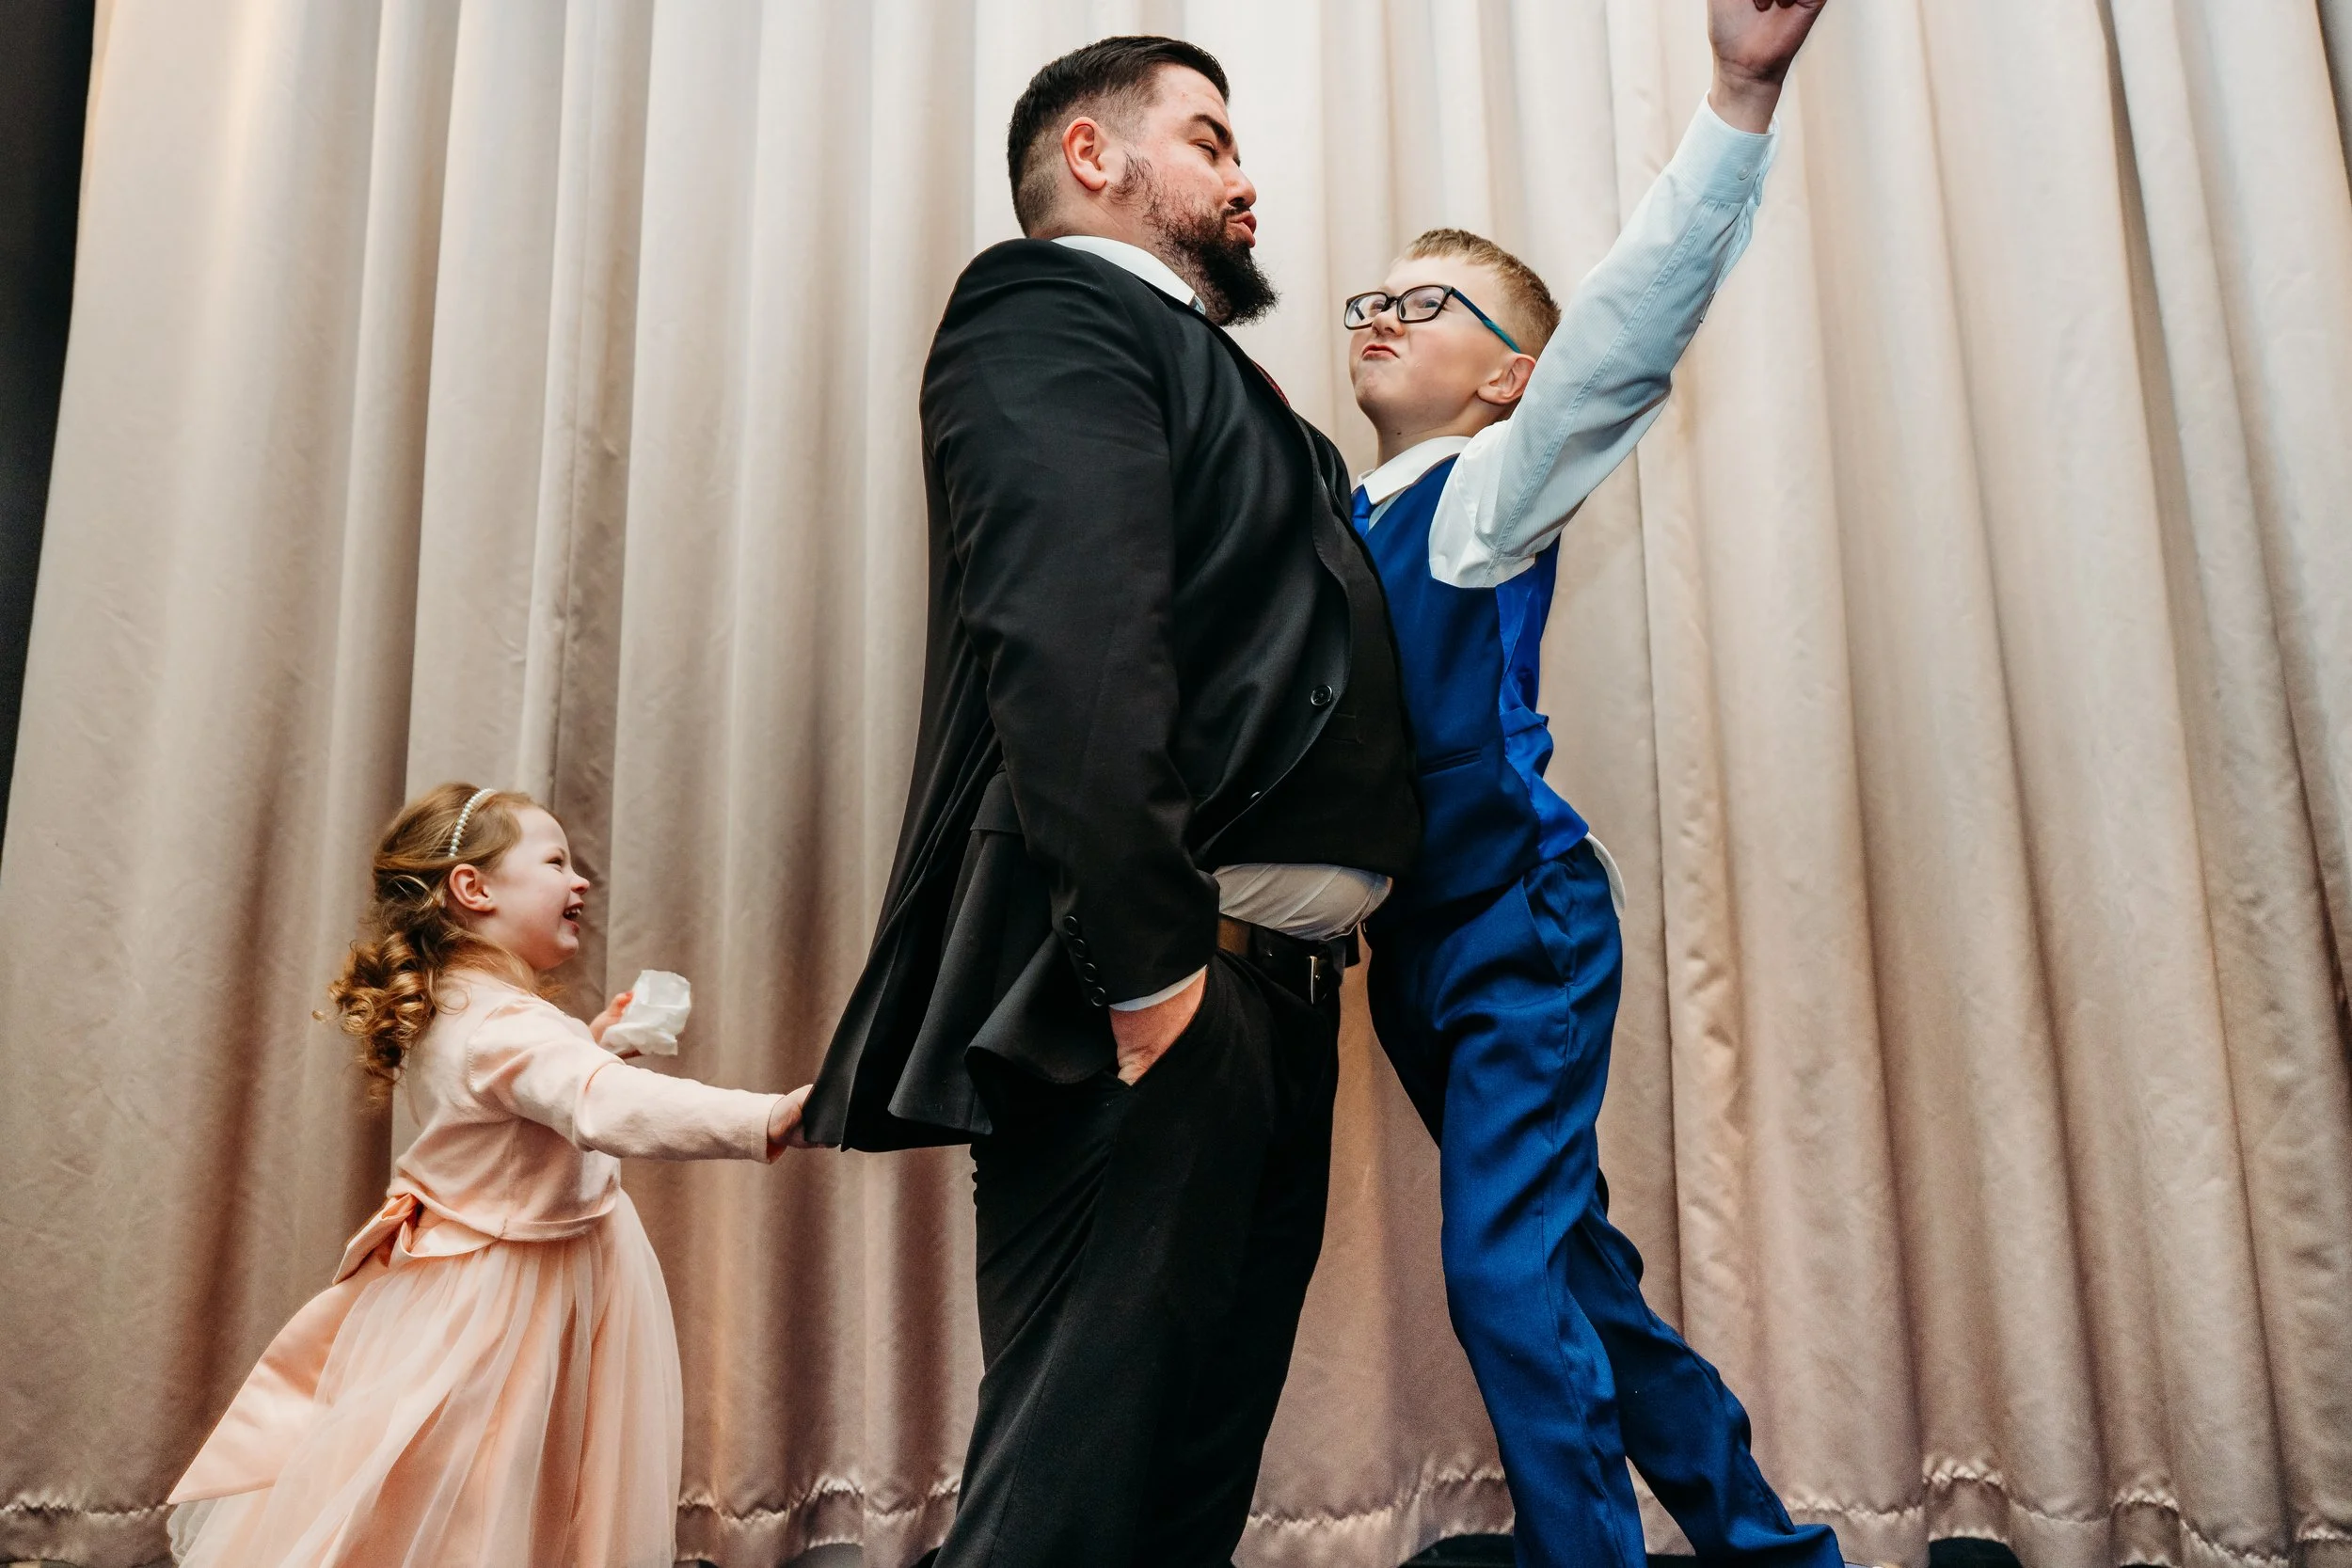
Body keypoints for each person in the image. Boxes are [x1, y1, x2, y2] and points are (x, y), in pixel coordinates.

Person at [802, 34, 1422, 1568]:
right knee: (1073, 1503)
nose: (1245, 173)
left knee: (1180, 1488)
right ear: (1094, 157)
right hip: (1135, 992)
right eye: (1208, 139)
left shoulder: (1234, 387)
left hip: (1265, 1002)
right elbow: (1072, 640)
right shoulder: (1046, 309)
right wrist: (1153, 982)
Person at [1342, 3, 1839, 1566]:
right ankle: (1766, 1545)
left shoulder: (1486, 493)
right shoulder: (1335, 519)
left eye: (1429, 302)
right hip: (1415, 957)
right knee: (1573, 1282)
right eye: (1374, 292)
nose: (1381, 313)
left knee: (1503, 1281)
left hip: (1518, 929)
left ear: (1509, 383)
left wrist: (1735, 99)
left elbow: (1628, 322)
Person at [165, 782, 814, 1568]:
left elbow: (526, 1104)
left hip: (474, 1282)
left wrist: (593, 1040)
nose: (579, 882)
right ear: (472, 888)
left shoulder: (461, 1005)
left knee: (467, 1485)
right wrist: (766, 1116)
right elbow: (601, 1105)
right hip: (519, 1296)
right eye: (555, 861)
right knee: (501, 1484)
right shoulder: (506, 1022)